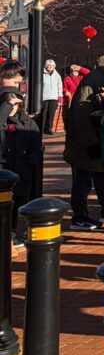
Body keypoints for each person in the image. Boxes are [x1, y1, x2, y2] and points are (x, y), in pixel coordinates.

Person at [63, 56, 104, 231]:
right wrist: (91, 143)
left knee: (103, 176)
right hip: (85, 143)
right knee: (82, 180)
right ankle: (79, 217)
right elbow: (81, 114)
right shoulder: (93, 81)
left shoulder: (102, 79)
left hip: (96, 140)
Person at [0, 89, 41, 244]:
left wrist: (29, 166)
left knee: (20, 204)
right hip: (3, 172)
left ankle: (18, 234)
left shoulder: (28, 123)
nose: (12, 109)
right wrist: (5, 109)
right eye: (9, 105)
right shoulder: (2, 120)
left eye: (14, 105)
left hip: (22, 172)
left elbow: (35, 148)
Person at [40, 59, 62, 134]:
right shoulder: (41, 74)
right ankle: (41, 128)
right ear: (46, 66)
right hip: (44, 97)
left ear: (54, 66)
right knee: (43, 113)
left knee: (51, 113)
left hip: (53, 97)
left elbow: (59, 86)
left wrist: (60, 96)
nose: (50, 67)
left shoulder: (57, 75)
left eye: (51, 65)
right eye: (48, 65)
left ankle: (48, 128)